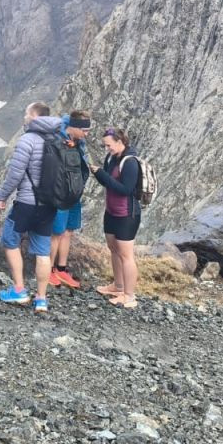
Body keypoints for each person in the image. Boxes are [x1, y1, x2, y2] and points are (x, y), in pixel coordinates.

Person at [0, 102, 62, 314]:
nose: (24, 117)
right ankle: (41, 299)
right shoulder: (59, 140)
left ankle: (19, 290)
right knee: (43, 252)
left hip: (26, 203)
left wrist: (2, 195)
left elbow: (15, 174)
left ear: (34, 117)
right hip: (49, 205)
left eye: (26, 113)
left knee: (10, 239)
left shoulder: (27, 140)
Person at [91, 128, 142, 309]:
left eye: (109, 145)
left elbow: (126, 190)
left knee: (126, 255)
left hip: (127, 214)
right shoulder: (111, 158)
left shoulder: (130, 162)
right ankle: (118, 286)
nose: (107, 149)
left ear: (120, 141)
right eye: (105, 146)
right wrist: (99, 174)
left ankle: (129, 296)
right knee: (113, 248)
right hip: (111, 211)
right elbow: (107, 183)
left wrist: (102, 174)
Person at [49, 110, 93, 289]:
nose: (87, 134)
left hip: (74, 193)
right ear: (74, 128)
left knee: (68, 230)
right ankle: (49, 270)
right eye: (85, 130)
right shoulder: (57, 140)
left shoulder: (78, 142)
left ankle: (61, 268)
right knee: (56, 232)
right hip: (61, 193)